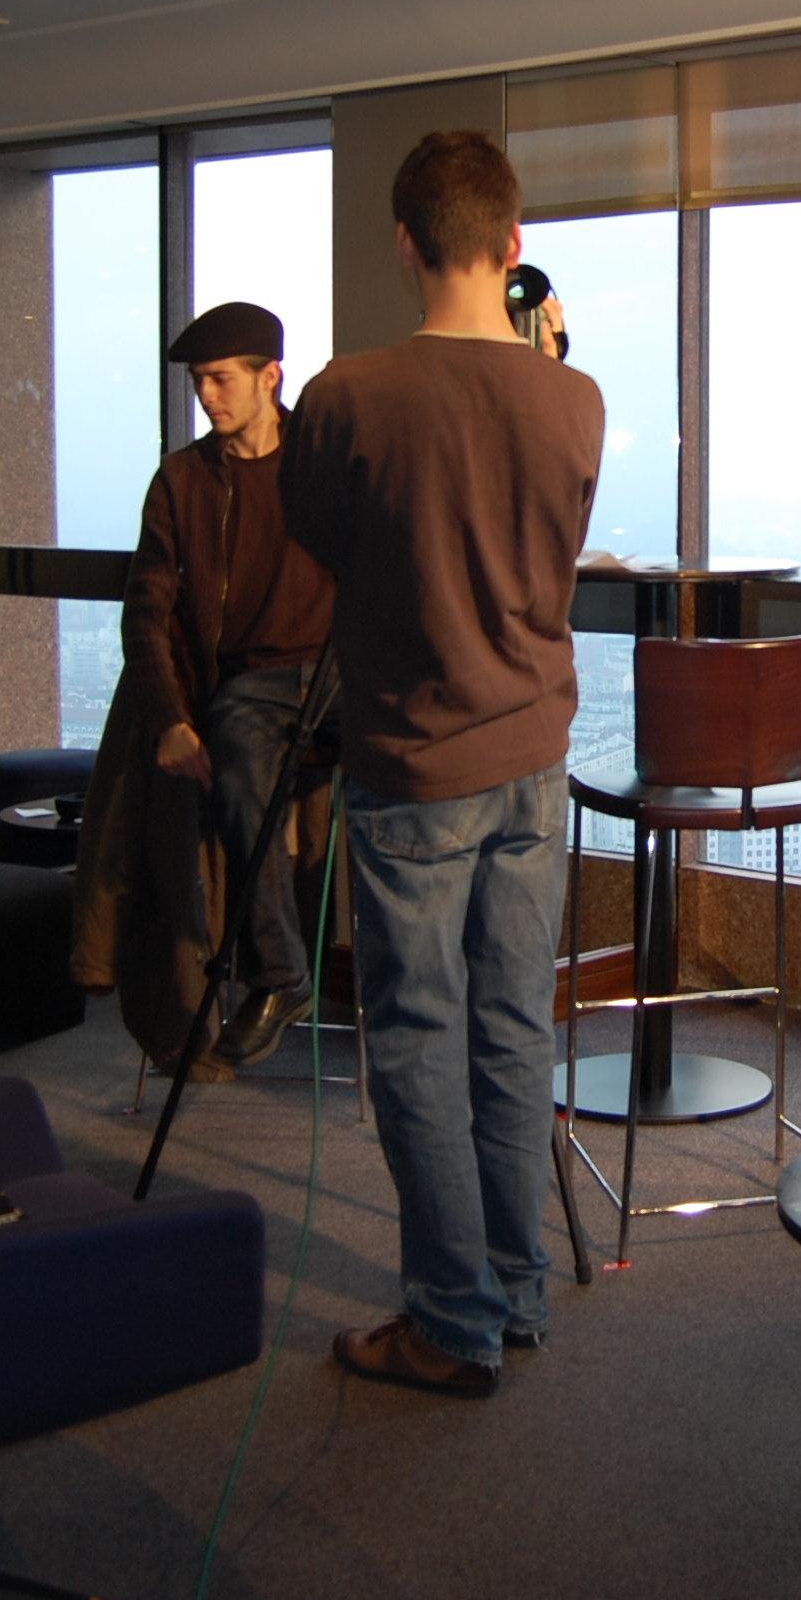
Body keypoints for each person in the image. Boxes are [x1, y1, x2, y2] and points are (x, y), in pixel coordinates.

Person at [282, 129, 604, 1397]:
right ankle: (512, 1292)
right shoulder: (574, 396)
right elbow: (554, 536)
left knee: (416, 1038)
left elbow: (323, 535)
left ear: (405, 243)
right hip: (533, 755)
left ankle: (451, 1320)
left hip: (414, 758)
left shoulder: (344, 395)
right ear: (512, 244)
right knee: (512, 1026)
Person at [103, 300, 337, 1075]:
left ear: (271, 377)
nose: (207, 395)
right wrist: (169, 719)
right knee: (236, 770)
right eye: (200, 381)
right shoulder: (181, 482)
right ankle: (280, 972)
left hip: (340, 671)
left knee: (417, 768)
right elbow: (145, 612)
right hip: (251, 684)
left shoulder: (325, 461)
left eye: (221, 378)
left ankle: (409, 985)